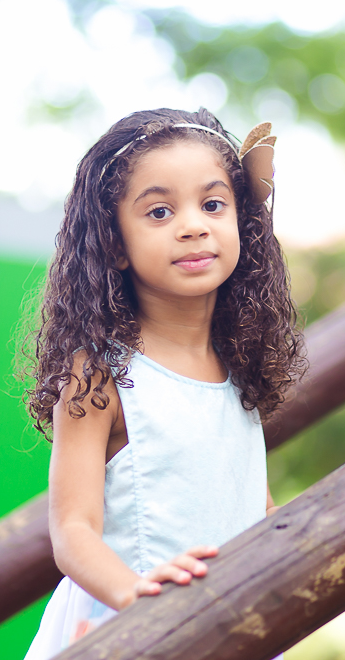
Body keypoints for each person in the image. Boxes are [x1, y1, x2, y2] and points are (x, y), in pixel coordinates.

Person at [23, 107, 305, 658]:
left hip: (221, 629)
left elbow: (255, 507)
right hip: (125, 628)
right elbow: (73, 530)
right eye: (158, 211)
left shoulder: (238, 365)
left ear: (240, 223)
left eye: (213, 203)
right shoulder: (99, 371)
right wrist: (138, 594)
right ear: (114, 244)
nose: (193, 224)